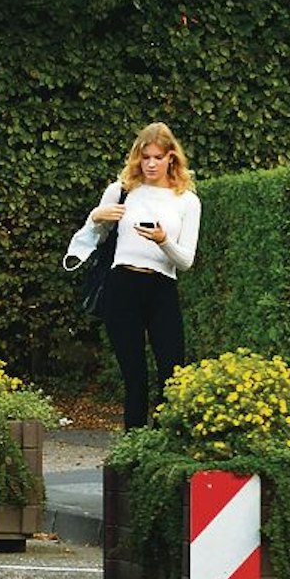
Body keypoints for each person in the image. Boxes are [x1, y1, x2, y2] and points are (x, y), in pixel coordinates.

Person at [64, 122, 203, 429]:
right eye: (145, 157)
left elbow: (186, 261)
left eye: (157, 157)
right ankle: (133, 445)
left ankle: (164, 442)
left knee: (172, 372)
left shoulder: (187, 200)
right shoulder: (121, 190)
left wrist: (163, 241)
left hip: (162, 287)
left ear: (171, 158)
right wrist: (95, 216)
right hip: (123, 285)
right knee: (134, 375)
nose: (151, 164)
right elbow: (92, 238)